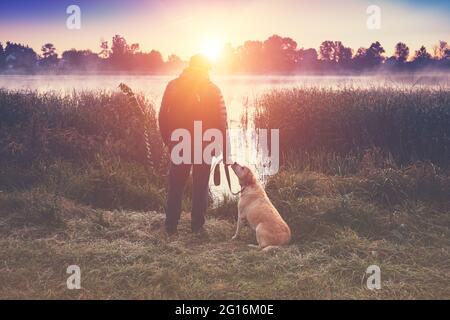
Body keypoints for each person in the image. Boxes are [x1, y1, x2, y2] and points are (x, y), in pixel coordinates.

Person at [158, 54, 230, 235]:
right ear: (205, 69)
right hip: (205, 143)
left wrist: (169, 141)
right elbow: (222, 121)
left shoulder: (173, 85)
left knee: (176, 185)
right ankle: (197, 226)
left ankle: (170, 226)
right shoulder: (213, 89)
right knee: (201, 185)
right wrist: (223, 148)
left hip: (179, 142)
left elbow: (162, 116)